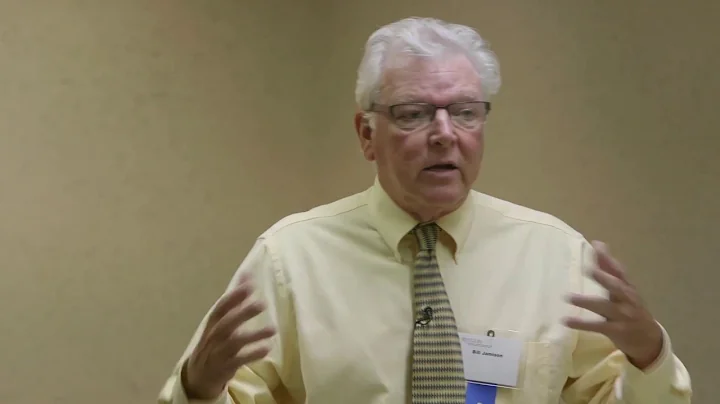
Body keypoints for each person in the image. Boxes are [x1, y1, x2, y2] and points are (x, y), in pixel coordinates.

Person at [158, 17, 692, 404]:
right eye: (414, 113)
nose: (444, 134)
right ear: (366, 134)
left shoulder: (557, 257)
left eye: (464, 112)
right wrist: (198, 389)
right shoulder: (290, 259)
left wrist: (649, 356)